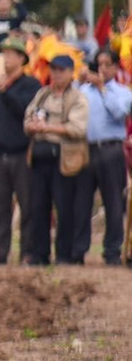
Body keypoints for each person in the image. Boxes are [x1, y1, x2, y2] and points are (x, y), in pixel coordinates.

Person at [21, 54, 89, 267]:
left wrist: (48, 128)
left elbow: (77, 129)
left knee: (65, 207)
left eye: (61, 70)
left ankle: (64, 254)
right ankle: (39, 254)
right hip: (40, 156)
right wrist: (32, 126)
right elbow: (28, 119)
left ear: (71, 73)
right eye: (54, 69)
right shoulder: (43, 94)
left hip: (63, 158)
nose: (57, 74)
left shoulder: (77, 98)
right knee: (39, 206)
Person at [0, 36, 39, 265]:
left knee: (27, 205)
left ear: (21, 58)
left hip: (20, 153)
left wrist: (5, 92)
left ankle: (27, 252)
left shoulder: (30, 85)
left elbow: (24, 111)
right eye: (3, 53)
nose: (5, 58)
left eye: (10, 54)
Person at [74, 49, 130, 266]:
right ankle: (78, 249)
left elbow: (119, 113)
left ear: (116, 67)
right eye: (99, 64)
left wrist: (103, 89)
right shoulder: (84, 91)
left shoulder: (123, 92)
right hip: (86, 149)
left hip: (111, 150)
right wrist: (80, 82)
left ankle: (112, 250)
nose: (103, 69)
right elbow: (70, 105)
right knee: (81, 202)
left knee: (114, 202)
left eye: (107, 64)